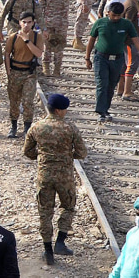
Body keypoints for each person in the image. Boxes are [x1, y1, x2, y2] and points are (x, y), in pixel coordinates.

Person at [23, 93, 88, 264]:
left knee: (45, 212)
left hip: (44, 175)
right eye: (65, 109)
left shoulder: (36, 127)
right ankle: (60, 242)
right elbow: (82, 153)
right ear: (59, 110)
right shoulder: (71, 128)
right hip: (65, 176)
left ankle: (47, 251)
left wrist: (43, 155)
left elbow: (28, 152)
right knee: (68, 207)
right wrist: (66, 155)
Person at [85, 2, 139, 120]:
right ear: (108, 13)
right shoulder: (100, 23)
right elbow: (91, 40)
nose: (116, 18)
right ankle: (101, 111)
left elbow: (135, 39)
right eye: (113, 15)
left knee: (111, 84)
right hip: (101, 58)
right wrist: (87, 58)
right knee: (102, 84)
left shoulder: (126, 24)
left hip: (117, 59)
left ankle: (106, 109)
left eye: (119, 16)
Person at [5, 12, 43, 138]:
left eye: (29, 22)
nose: (26, 25)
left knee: (28, 101)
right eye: (24, 22)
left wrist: (27, 40)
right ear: (20, 23)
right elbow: (7, 54)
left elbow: (38, 53)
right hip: (15, 72)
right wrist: (8, 71)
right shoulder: (13, 37)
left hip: (29, 74)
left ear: (33, 23)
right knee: (14, 101)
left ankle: (27, 128)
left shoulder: (37, 37)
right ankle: (14, 126)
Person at [41, 0, 75, 76]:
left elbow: (41, 4)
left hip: (49, 21)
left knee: (47, 44)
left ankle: (46, 68)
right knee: (59, 45)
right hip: (62, 23)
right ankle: (57, 70)